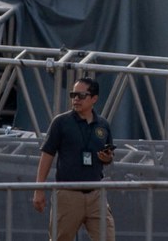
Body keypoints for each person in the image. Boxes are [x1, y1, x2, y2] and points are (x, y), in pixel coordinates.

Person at [33, 77, 116, 241]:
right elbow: (47, 154)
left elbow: (108, 157)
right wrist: (39, 189)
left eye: (81, 95)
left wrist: (107, 158)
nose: (75, 99)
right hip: (68, 194)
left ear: (94, 99)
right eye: (73, 95)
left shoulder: (103, 125)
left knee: (107, 237)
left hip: (95, 194)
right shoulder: (61, 122)